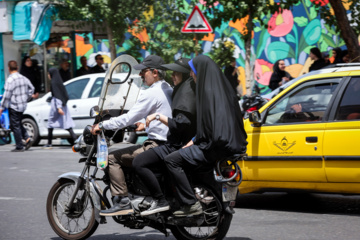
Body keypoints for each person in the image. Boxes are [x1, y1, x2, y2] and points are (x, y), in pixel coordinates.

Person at [162, 55, 247, 216]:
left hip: (214, 145)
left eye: (193, 72)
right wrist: (194, 140)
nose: (192, 75)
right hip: (229, 144)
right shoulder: (224, 89)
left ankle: (190, 204)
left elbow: (209, 129)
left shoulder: (207, 93)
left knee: (171, 160)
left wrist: (195, 141)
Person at [92, 55, 173, 216]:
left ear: (155, 72)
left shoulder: (151, 92)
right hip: (168, 142)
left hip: (156, 145)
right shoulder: (167, 88)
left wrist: (101, 124)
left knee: (112, 157)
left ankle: (122, 200)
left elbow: (127, 118)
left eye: (144, 71)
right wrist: (144, 125)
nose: (141, 75)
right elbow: (163, 113)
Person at [132, 58, 197, 216]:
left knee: (138, 162)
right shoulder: (181, 89)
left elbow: (181, 124)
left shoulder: (185, 93)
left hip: (176, 144)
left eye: (175, 73)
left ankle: (160, 200)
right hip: (177, 141)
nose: (172, 76)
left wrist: (158, 117)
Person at [0, 61, 34, 152]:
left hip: (14, 106)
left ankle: (19, 146)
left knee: (15, 125)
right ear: (17, 67)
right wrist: (26, 98)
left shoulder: (10, 80)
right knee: (18, 123)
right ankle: (27, 138)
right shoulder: (23, 78)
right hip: (22, 105)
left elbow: (6, 95)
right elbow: (32, 88)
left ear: (8, 68)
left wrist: (1, 108)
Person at [43, 68, 77, 149]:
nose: (48, 75)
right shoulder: (59, 82)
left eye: (49, 73)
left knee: (50, 123)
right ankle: (75, 139)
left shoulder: (54, 83)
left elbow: (57, 96)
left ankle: (49, 143)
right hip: (62, 105)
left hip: (57, 106)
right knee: (66, 124)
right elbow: (64, 95)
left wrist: (59, 107)